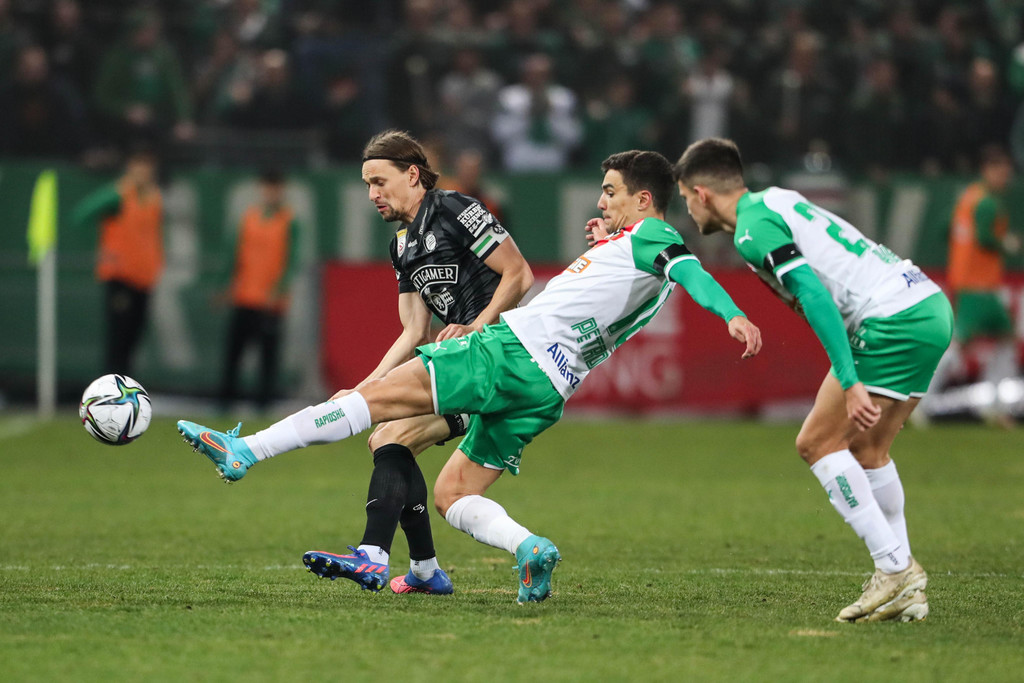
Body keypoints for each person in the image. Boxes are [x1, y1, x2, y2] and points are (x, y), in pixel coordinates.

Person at [178, 149, 762, 603]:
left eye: (610, 192)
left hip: (510, 351)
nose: (601, 200)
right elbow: (629, 281)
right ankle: (528, 548)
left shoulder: (656, 237)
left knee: (376, 407)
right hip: (551, 387)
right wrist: (613, 241)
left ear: (643, 198)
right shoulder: (632, 247)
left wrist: (731, 313)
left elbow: (688, 268)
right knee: (452, 493)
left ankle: (247, 451)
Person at [195, 130, 533, 596]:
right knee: (389, 439)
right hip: (465, 363)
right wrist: (365, 386)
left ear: (412, 175)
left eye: (379, 181)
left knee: (390, 438)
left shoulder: (456, 208)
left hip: (495, 359)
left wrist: (476, 325)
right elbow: (414, 332)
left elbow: (519, 273)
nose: (372, 194)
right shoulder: (402, 245)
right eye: (367, 184)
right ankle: (423, 570)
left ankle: (368, 548)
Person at [671, 137, 953, 623]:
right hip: (926, 303)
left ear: (702, 194)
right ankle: (904, 587)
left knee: (816, 443)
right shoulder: (776, 200)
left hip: (890, 318)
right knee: (870, 450)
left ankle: (895, 568)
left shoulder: (752, 231)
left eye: (685, 200)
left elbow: (815, 295)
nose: (689, 212)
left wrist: (849, 378)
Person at [926, 145, 1021, 424]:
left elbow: (944, 229)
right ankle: (921, 401)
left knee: (1001, 338)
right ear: (987, 170)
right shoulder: (988, 203)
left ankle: (993, 404)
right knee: (962, 344)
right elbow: (985, 239)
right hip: (981, 285)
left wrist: (961, 252)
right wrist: (1007, 243)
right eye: (1001, 172)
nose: (1004, 178)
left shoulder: (968, 196)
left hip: (966, 281)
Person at [73, 147, 163, 376]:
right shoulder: (118, 194)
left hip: (144, 279)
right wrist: (104, 250)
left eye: (147, 167)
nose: (143, 172)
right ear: (130, 168)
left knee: (133, 339)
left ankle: (126, 388)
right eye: (139, 166)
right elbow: (82, 214)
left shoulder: (154, 199)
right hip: (121, 278)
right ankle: (111, 389)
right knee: (118, 339)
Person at [219, 169, 299, 411]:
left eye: (274, 188)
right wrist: (227, 286)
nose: (270, 193)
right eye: (267, 188)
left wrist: (280, 288)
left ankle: (263, 403)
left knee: (268, 355)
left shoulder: (289, 221)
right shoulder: (250, 218)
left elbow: (292, 259)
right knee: (234, 352)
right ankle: (226, 400)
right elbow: (236, 255)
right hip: (245, 295)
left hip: (270, 300)